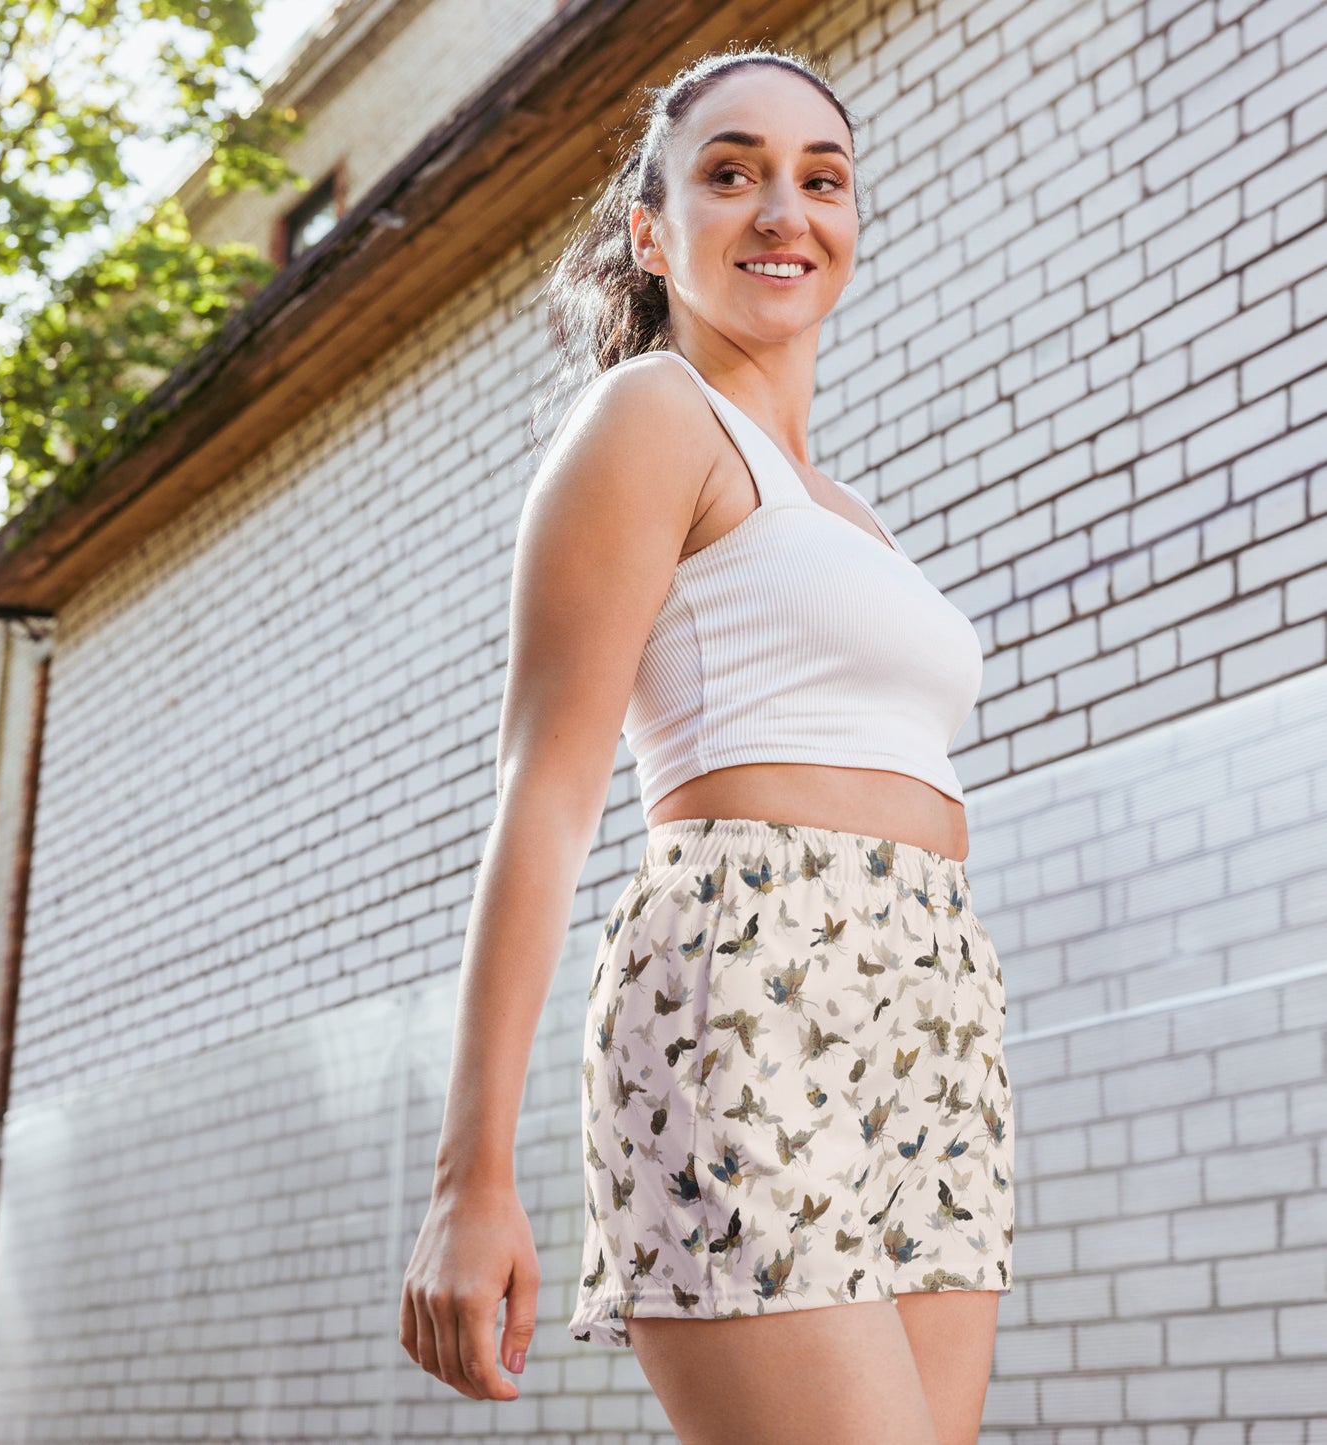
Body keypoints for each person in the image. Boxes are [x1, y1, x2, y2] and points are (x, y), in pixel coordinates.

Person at [399, 44, 1015, 1445]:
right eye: (730, 173)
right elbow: (543, 795)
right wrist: (469, 1176)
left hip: (930, 1006)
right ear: (649, 230)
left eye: (821, 179)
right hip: (744, 981)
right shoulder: (648, 417)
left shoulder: (850, 508)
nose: (782, 210)